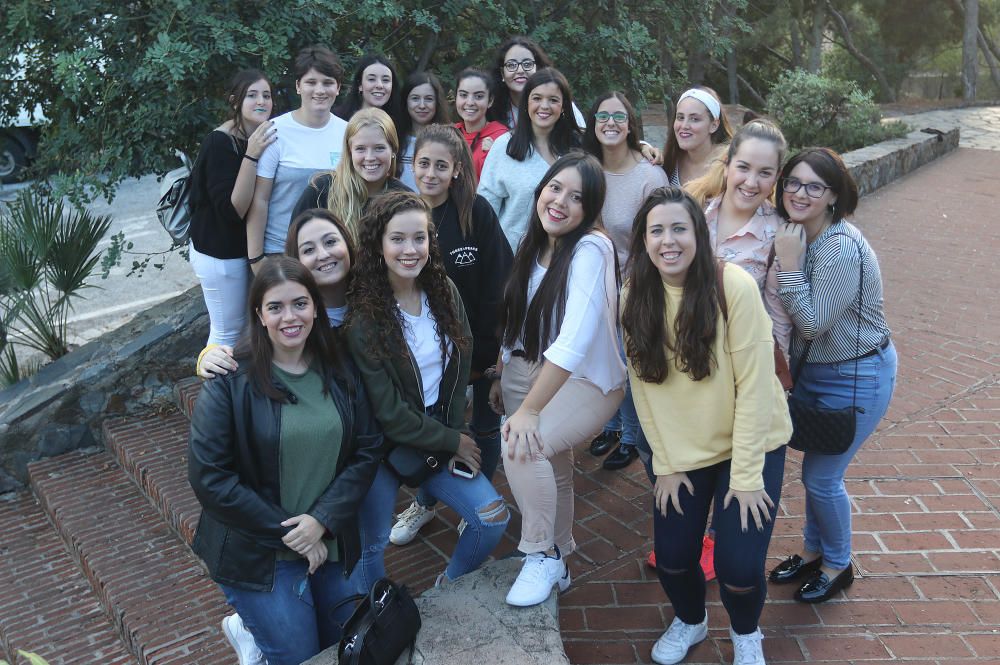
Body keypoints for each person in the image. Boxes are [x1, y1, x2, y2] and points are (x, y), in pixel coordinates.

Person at [621, 187, 791, 665]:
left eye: (679, 228)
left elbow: (757, 390)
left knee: (739, 567)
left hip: (751, 441)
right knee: (673, 559)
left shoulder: (729, 285)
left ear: (699, 232)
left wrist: (746, 478)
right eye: (657, 230)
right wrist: (666, 465)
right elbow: (643, 389)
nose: (668, 240)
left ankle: (745, 633)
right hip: (684, 449)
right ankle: (691, 621)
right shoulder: (633, 294)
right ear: (644, 240)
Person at [188, 257, 383, 665]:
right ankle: (257, 631)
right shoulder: (229, 382)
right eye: (275, 307)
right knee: (299, 656)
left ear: (315, 307)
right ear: (259, 315)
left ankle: (256, 630)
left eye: (300, 303)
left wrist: (321, 521)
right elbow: (211, 479)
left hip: (326, 537)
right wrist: (292, 534)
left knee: (344, 647)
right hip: (259, 550)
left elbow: (367, 449)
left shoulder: (341, 368)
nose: (289, 317)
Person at [346, 190, 510, 584]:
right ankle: (372, 622)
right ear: (378, 243)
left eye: (419, 238)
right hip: (384, 447)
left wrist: (453, 430)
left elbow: (460, 366)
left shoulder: (442, 291)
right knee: (371, 546)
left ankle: (447, 588)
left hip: (438, 431)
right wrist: (453, 441)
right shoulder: (364, 317)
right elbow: (389, 414)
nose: (410, 249)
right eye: (398, 239)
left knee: (491, 519)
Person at [490, 152, 625, 607]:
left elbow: (574, 339)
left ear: (590, 210)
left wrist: (528, 410)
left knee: (521, 446)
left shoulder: (591, 247)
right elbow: (518, 315)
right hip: (525, 370)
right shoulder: (534, 243)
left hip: (586, 381)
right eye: (555, 188)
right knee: (554, 468)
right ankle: (560, 562)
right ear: (541, 187)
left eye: (576, 198)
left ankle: (540, 552)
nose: (561, 202)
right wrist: (502, 368)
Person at [769, 148, 896, 603]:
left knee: (822, 478)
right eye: (792, 183)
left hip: (857, 374)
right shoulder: (800, 230)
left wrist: (787, 264)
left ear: (834, 196)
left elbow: (811, 322)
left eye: (814, 186)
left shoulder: (839, 247)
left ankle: (839, 564)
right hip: (816, 372)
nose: (799, 193)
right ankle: (811, 552)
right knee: (813, 473)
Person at [389, 124, 514, 545]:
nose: (431, 173)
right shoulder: (402, 214)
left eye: (441, 165)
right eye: (423, 163)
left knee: (484, 427)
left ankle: (476, 496)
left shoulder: (475, 213)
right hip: (429, 354)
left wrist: (498, 354)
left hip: (481, 349)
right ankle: (425, 502)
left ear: (457, 169)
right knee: (436, 427)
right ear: (412, 165)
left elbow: (502, 281)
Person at [581, 91, 670, 471]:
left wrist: (634, 290)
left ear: (631, 124)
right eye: (602, 116)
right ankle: (612, 425)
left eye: (619, 116)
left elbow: (659, 235)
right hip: (591, 283)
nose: (610, 123)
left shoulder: (649, 175)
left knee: (628, 365)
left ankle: (632, 437)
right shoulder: (586, 168)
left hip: (634, 286)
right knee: (600, 360)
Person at [188, 69, 276, 348]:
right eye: (252, 95)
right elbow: (233, 210)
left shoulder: (258, 135)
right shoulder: (220, 143)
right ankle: (212, 389)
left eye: (266, 95)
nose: (261, 101)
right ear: (235, 101)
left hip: (240, 251)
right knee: (227, 330)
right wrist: (252, 154)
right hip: (219, 253)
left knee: (245, 328)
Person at [246, 46, 348, 268]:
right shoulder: (274, 132)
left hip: (332, 254)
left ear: (338, 88)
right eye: (311, 82)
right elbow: (260, 200)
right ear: (298, 86)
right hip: (281, 252)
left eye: (328, 82)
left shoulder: (349, 133)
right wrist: (256, 259)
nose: (320, 90)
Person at [479, 68, 581, 251]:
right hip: (512, 258)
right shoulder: (505, 146)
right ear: (526, 102)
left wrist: (643, 146)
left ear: (564, 106)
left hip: (565, 257)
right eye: (537, 98)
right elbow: (485, 209)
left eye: (553, 100)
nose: (544, 106)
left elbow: (617, 145)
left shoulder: (578, 148)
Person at [291, 108, 410, 239]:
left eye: (379, 148)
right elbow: (295, 248)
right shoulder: (321, 191)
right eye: (360, 149)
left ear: (393, 150)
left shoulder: (405, 200)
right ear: (349, 151)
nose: (369, 157)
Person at [661, 86, 733, 188]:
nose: (684, 126)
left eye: (694, 119)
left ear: (714, 125)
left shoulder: (728, 163)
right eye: (680, 117)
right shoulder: (670, 161)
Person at [397, 71, 451, 190]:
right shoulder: (394, 139)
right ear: (405, 101)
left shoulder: (449, 140)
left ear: (437, 102)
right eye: (415, 98)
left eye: (428, 99)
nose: (422, 105)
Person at [453, 67, 510, 180]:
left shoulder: (501, 138)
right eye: (463, 95)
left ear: (490, 101)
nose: (470, 102)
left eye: (478, 96)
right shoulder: (450, 134)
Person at [333, 53, 407, 133]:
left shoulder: (400, 125)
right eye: (371, 79)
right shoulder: (338, 121)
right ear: (360, 85)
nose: (379, 85)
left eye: (385, 80)